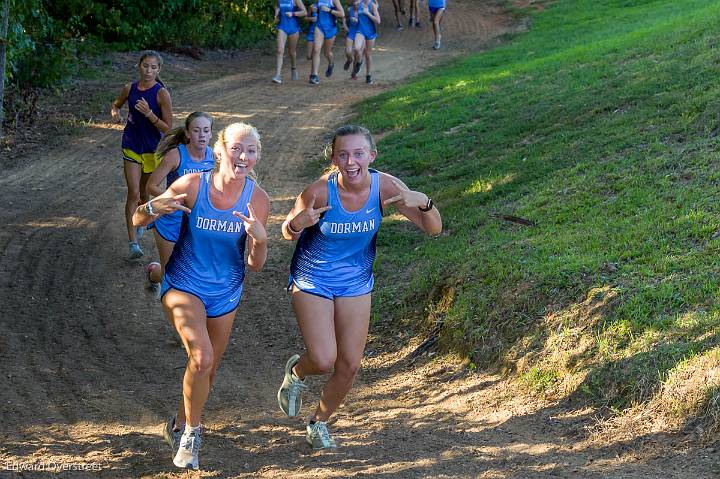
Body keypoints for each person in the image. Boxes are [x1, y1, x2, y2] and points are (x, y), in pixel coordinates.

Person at [277, 125, 442, 449]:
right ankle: (297, 373)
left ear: (371, 156)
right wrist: (298, 223)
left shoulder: (386, 187)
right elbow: (287, 230)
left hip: (355, 280)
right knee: (324, 359)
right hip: (313, 277)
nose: (351, 162)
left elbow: (433, 228)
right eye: (343, 155)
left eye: (357, 153)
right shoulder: (320, 191)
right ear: (335, 159)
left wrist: (424, 201)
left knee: (350, 364)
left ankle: (318, 423)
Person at [133, 123, 269, 469]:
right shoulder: (194, 185)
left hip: (226, 292)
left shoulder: (258, 199)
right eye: (237, 148)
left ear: (256, 157)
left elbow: (254, 265)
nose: (243, 156)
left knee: (207, 369)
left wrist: (260, 238)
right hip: (183, 284)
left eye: (251, 150)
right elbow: (138, 216)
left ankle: (177, 424)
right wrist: (154, 206)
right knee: (201, 355)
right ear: (220, 151)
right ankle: (192, 434)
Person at [144, 112, 216, 295]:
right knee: (171, 273)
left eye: (206, 130)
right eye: (196, 130)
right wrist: (176, 199)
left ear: (211, 134)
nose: (201, 135)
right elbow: (151, 186)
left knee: (194, 269)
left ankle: (156, 271)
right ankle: (155, 275)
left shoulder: (214, 158)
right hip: (170, 220)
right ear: (187, 133)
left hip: (196, 222)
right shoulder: (175, 156)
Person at [112, 50, 173, 260]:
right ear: (139, 66)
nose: (149, 70)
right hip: (131, 145)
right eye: (145, 66)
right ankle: (133, 244)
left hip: (152, 149)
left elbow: (168, 128)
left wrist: (149, 114)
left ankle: (140, 221)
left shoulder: (161, 93)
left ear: (158, 70)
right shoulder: (130, 88)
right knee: (134, 193)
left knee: (145, 195)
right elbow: (115, 105)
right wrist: (116, 114)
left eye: (153, 67)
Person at [309, 0, 345, 85]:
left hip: (330, 28)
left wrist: (330, 10)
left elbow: (342, 14)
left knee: (327, 52)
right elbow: (317, 9)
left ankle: (331, 63)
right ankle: (314, 75)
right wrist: (315, 10)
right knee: (316, 50)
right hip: (319, 26)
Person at [273, 0, 308, 84]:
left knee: (292, 51)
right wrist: (276, 14)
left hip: (293, 28)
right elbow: (277, 6)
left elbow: (304, 12)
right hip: (282, 27)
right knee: (279, 50)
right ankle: (278, 75)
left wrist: (293, 14)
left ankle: (293, 68)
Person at [352, 0, 380, 84]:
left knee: (368, 55)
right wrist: (355, 17)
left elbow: (378, 21)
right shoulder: (358, 4)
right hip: (360, 30)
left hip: (370, 32)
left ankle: (368, 75)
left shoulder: (372, 5)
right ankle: (359, 62)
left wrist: (367, 13)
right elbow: (356, 15)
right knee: (357, 48)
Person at [342, 0, 361, 73]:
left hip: (359, 32)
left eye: (357, 5)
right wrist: (344, 25)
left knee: (357, 52)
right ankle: (349, 59)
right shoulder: (349, 10)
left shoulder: (362, 11)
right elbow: (344, 16)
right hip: (351, 31)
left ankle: (354, 72)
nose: (355, 6)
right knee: (348, 52)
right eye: (354, 5)